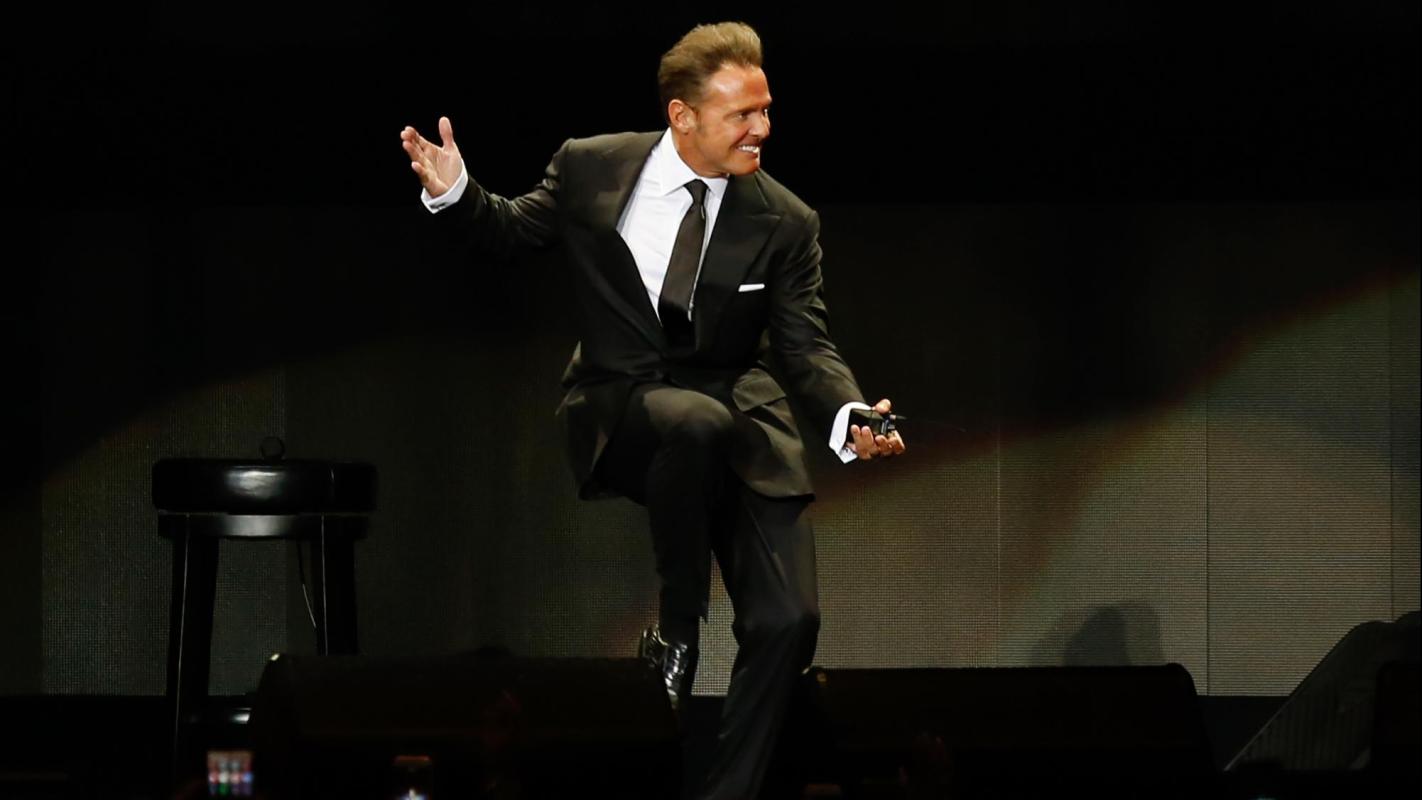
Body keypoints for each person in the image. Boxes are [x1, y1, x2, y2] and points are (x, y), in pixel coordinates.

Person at [400, 21, 905, 799]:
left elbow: (805, 344)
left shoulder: (786, 220)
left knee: (787, 621)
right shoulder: (593, 166)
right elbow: (515, 230)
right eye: (742, 114)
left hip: (739, 418)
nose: (762, 128)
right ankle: (676, 634)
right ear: (683, 115)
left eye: (766, 110)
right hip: (625, 403)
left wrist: (851, 414)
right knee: (692, 422)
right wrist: (459, 193)